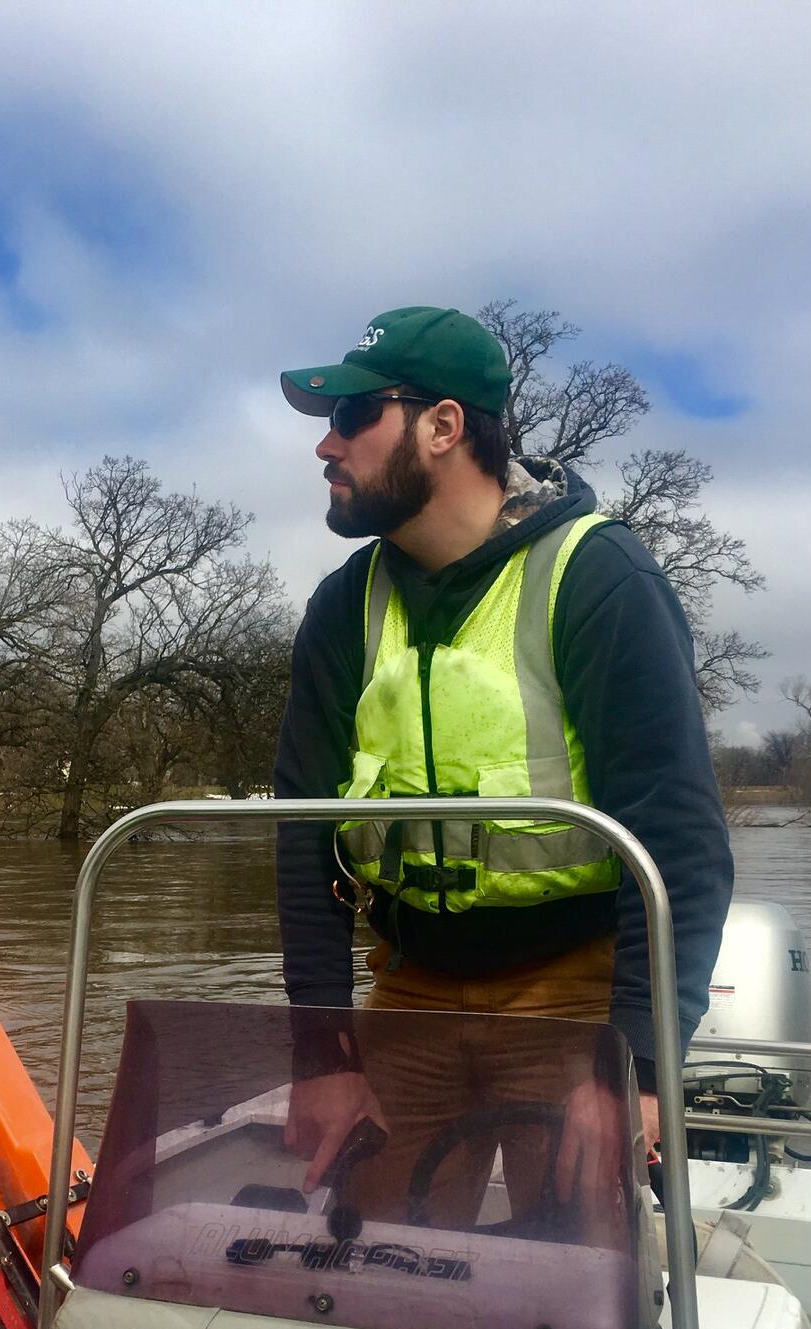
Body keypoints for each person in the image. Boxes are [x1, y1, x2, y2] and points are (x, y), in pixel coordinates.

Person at [273, 305, 733, 1211]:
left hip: (572, 993)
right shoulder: (341, 608)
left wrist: (637, 1068)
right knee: (362, 1268)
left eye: (354, 415)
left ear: (444, 426)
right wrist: (321, 1055)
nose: (327, 446)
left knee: (574, 1287)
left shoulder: (600, 579)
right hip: (409, 988)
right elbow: (303, 841)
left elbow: (677, 845)